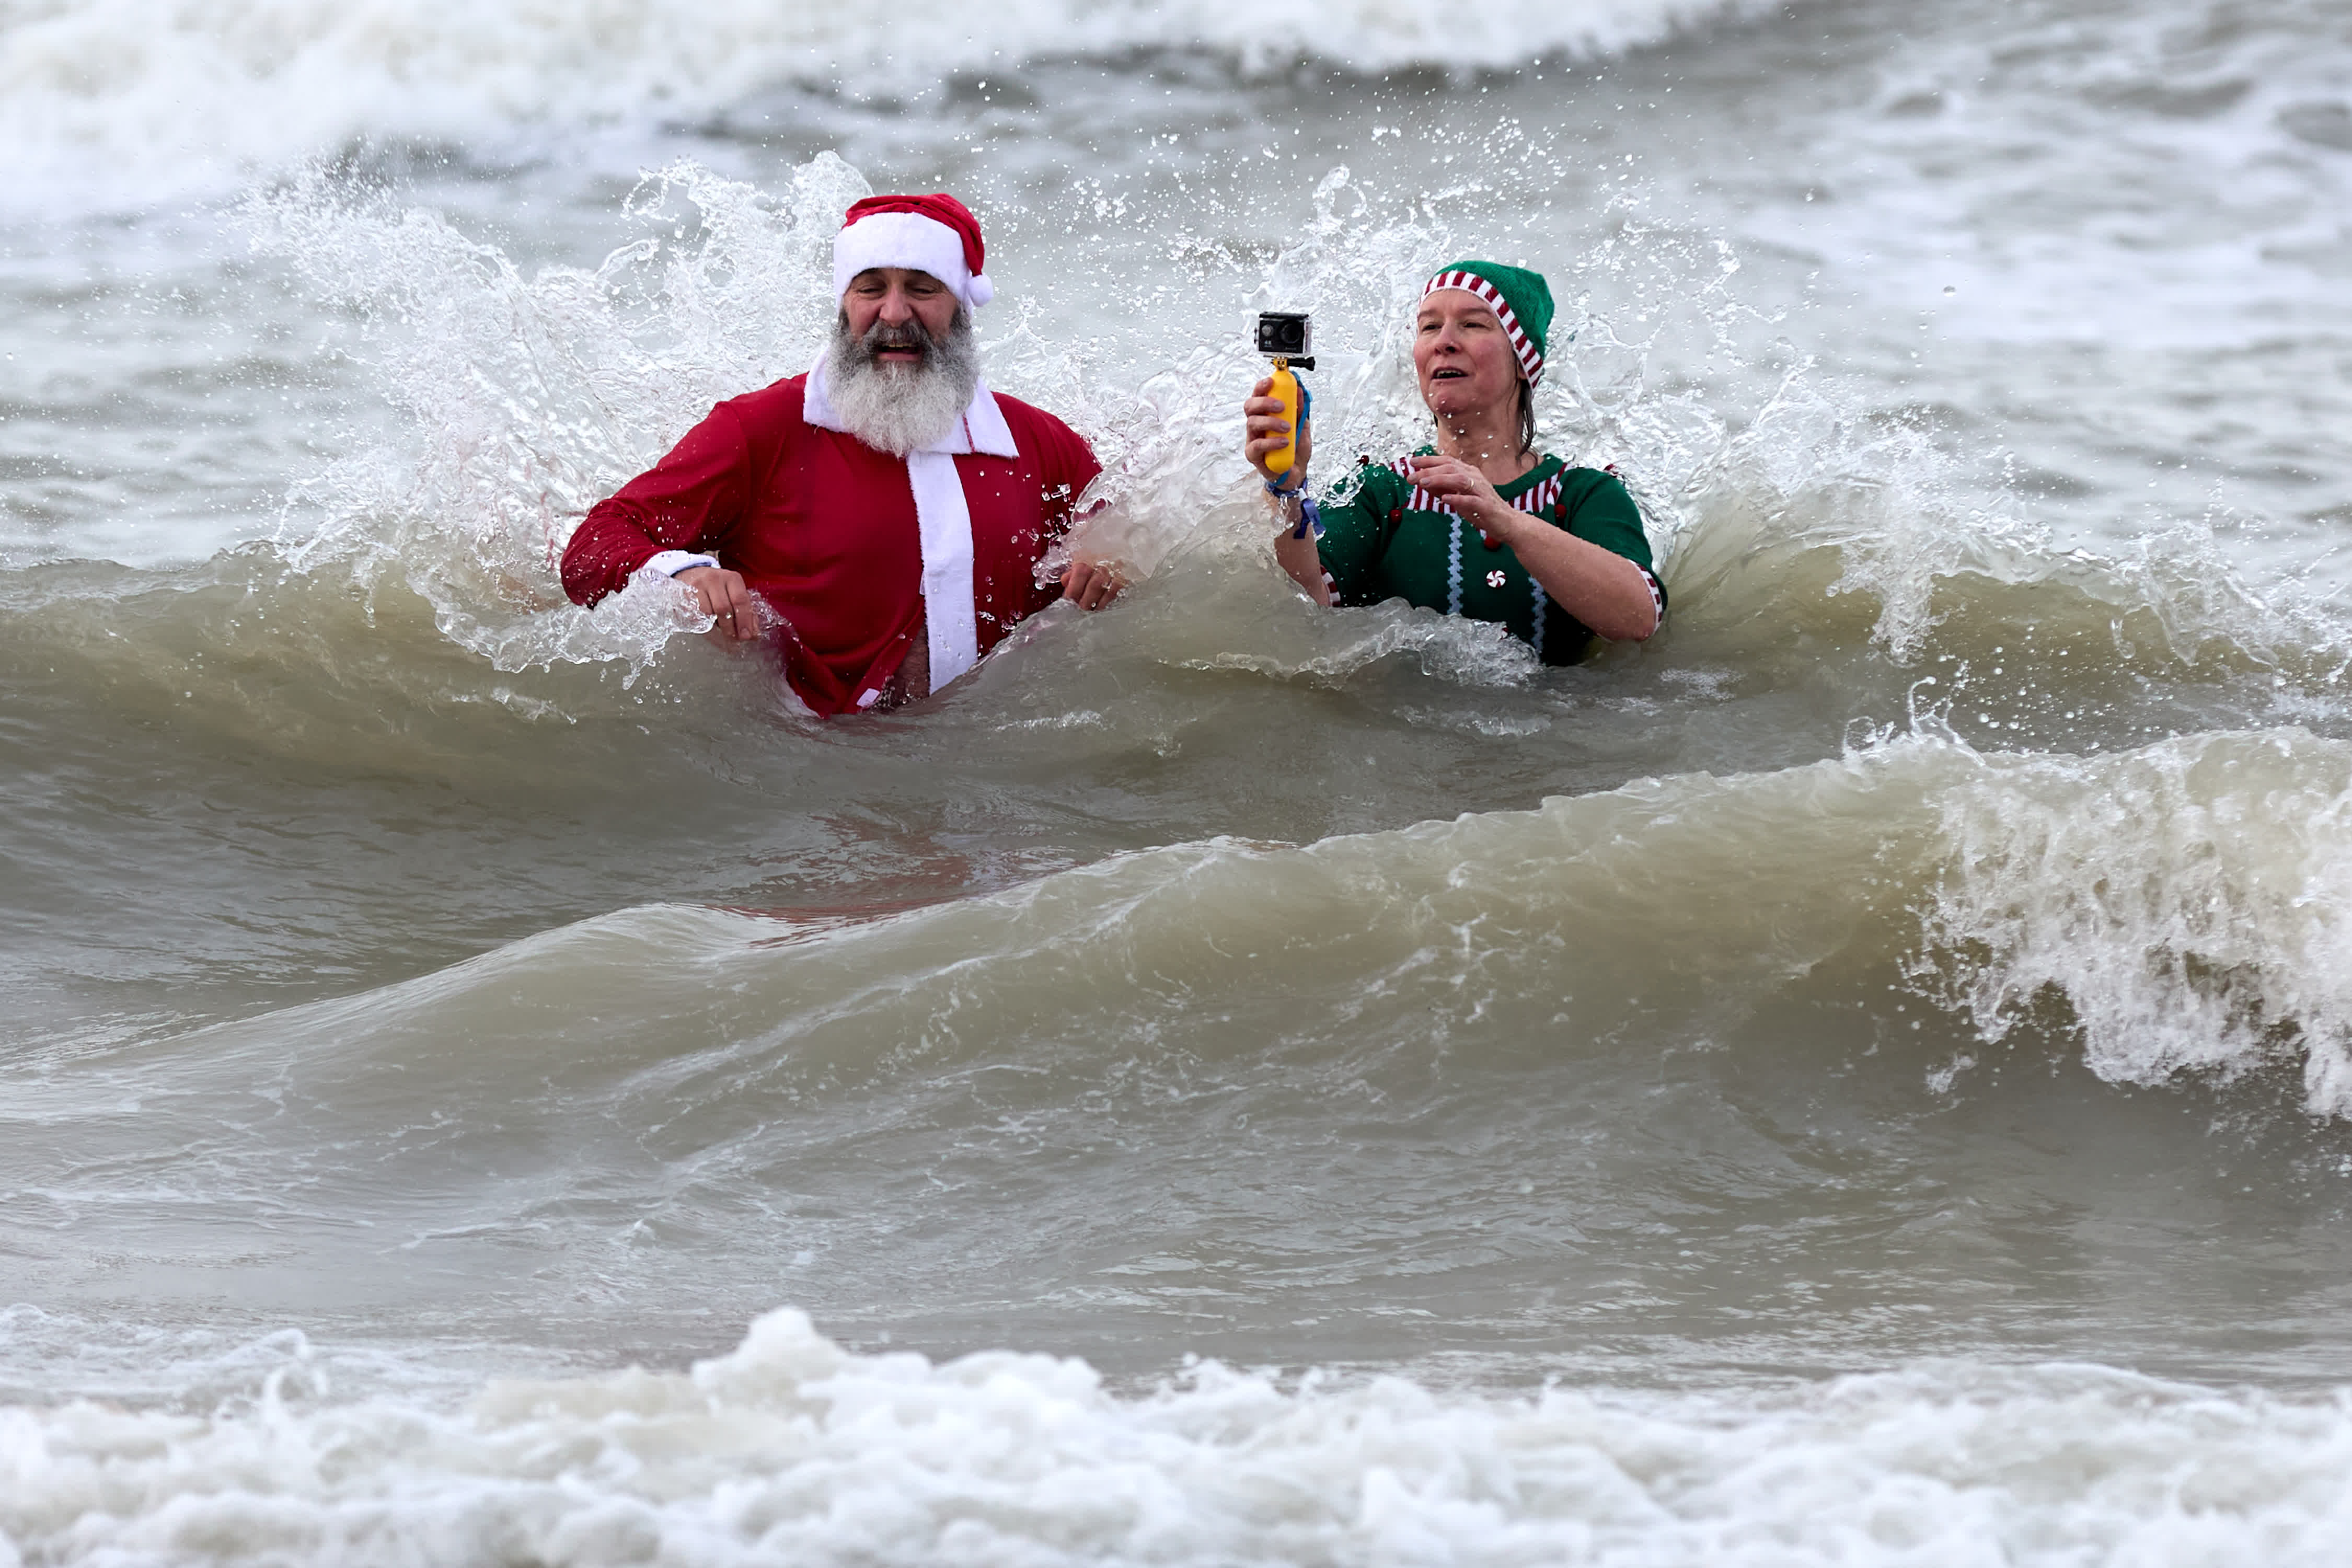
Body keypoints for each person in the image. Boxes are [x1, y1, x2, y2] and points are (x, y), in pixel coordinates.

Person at [562, 192, 1122, 715]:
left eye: (922, 288)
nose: (895, 313)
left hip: (987, 763)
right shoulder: (762, 429)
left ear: (960, 307)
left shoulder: (1039, 444)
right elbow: (594, 546)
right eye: (871, 288)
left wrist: (1116, 565)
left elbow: (1133, 539)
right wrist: (681, 576)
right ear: (843, 304)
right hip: (802, 771)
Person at [1242, 260, 1663, 661]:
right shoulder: (1381, 491)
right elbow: (1303, 600)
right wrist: (1286, 492)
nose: (1444, 341)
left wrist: (1506, 520)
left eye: (1473, 324)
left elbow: (1638, 620)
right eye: (1429, 327)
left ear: (1522, 361)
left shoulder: (1584, 494)